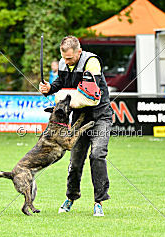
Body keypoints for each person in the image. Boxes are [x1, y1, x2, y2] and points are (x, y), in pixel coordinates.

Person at [39, 36, 113, 217]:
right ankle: (71, 197)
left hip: (101, 116)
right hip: (80, 118)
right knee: (75, 160)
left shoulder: (92, 62)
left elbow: (90, 89)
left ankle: (99, 202)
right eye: (64, 58)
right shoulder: (64, 63)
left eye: (70, 58)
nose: (66, 61)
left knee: (97, 155)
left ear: (79, 52)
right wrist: (50, 88)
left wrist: (66, 95)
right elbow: (61, 82)